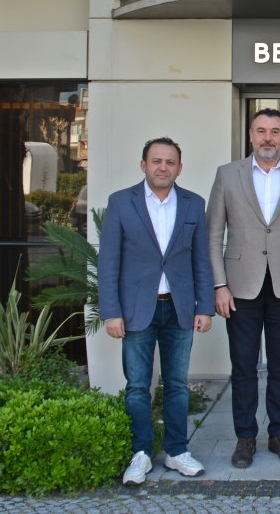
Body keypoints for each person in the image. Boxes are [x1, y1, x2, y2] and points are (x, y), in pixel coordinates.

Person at [98, 137, 215, 486]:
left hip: (179, 309)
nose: (163, 167)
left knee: (177, 384)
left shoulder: (193, 204)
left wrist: (205, 306)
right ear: (144, 165)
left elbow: (201, 260)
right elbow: (108, 262)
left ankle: (177, 451)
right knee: (137, 386)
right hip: (137, 310)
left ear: (180, 168)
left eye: (170, 162)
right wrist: (111, 312)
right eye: (156, 161)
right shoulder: (121, 202)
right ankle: (142, 453)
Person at [206, 108, 280, 468]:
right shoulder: (227, 174)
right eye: (261, 131)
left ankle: (279, 435)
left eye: (275, 131)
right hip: (239, 287)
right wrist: (219, 285)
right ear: (251, 135)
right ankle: (245, 437)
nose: (268, 137)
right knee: (243, 366)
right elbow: (213, 234)